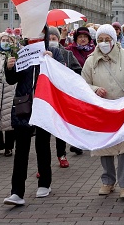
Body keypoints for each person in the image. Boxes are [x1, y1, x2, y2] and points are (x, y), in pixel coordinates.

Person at [81, 24, 124, 201]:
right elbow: (83, 82)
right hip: (102, 109)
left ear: (114, 40)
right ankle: (107, 181)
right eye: (100, 40)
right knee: (105, 147)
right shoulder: (90, 60)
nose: (103, 43)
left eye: (107, 39)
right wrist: (94, 89)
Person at [3, 26, 65, 205]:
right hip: (24, 105)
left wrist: (53, 63)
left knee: (42, 145)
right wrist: (9, 67)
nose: (35, 35)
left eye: (39, 31)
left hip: (44, 104)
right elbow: (12, 79)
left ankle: (44, 183)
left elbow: (61, 77)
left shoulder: (52, 51)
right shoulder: (21, 51)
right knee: (21, 149)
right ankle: (16, 192)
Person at [48, 26, 83, 162]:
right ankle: (44, 165)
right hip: (47, 95)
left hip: (62, 94)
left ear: (58, 39)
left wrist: (68, 75)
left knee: (60, 126)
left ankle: (61, 154)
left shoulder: (67, 53)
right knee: (45, 129)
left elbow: (78, 70)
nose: (51, 41)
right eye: (49, 39)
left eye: (54, 38)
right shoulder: (42, 53)